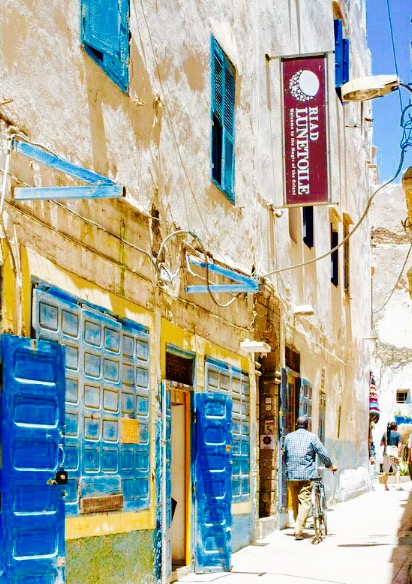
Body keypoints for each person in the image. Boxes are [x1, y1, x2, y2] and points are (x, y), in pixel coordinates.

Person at [283, 416, 337, 540]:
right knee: (305, 502)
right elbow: (322, 453)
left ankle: (298, 526)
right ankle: (298, 530)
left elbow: (284, 453)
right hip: (306, 474)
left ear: (297, 424)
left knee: (296, 501)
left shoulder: (288, 437)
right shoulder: (312, 437)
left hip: (291, 474)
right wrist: (330, 465)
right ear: (307, 425)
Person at [380, 421, 403, 491]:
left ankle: (385, 486)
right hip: (394, 454)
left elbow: (381, 444)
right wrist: (398, 455)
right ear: (395, 427)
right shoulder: (398, 435)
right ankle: (397, 486)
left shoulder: (385, 434)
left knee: (385, 471)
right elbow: (400, 445)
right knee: (396, 470)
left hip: (386, 453)